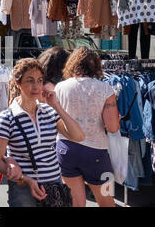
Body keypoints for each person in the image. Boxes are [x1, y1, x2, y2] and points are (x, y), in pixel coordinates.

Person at [0, 58, 85, 207]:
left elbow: (78, 136)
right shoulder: (7, 117)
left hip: (54, 186)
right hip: (23, 189)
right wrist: (23, 178)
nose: (36, 86)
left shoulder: (48, 111)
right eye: (30, 81)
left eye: (39, 80)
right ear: (18, 83)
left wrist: (56, 105)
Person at [54, 47, 120, 207]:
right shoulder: (105, 89)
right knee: (107, 201)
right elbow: (112, 127)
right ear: (96, 66)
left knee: (75, 203)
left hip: (66, 149)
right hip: (96, 152)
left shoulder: (60, 87)